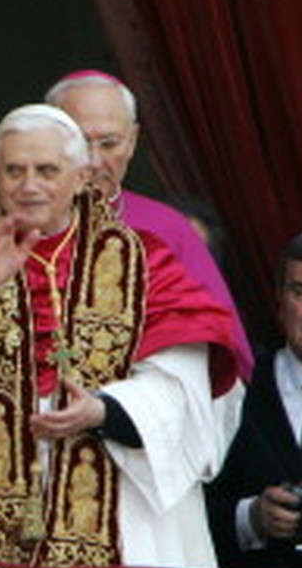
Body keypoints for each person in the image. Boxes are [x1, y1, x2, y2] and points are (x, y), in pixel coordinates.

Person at [0, 105, 240, 568]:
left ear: (82, 175)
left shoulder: (145, 261)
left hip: (115, 497)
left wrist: (102, 410)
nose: (29, 185)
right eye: (14, 170)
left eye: (47, 170)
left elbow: (180, 384)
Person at [45, 70, 254, 381]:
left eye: (109, 143)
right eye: (78, 142)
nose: (93, 161)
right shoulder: (8, 229)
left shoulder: (170, 230)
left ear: (132, 141)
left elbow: (221, 349)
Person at [207, 229, 302, 568]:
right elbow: (185, 510)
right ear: (279, 302)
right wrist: (251, 518)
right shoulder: (231, 386)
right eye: (301, 292)